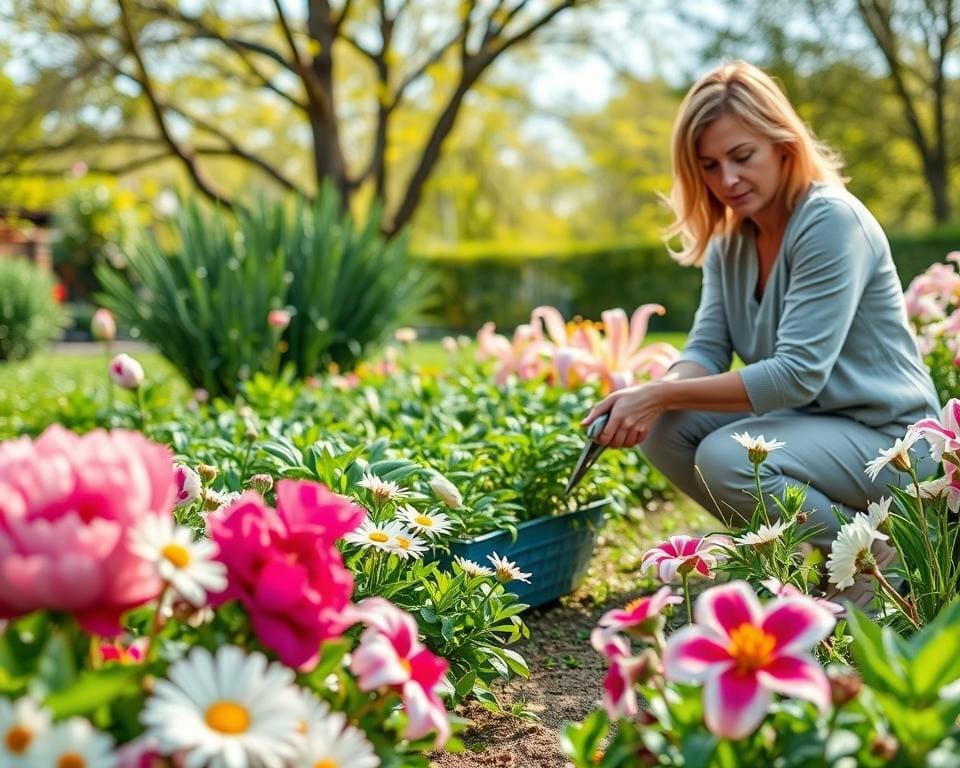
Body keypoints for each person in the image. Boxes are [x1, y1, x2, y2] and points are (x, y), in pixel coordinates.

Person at [581, 60, 939, 561]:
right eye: (708, 166)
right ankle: (804, 552)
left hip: (891, 444)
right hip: (813, 426)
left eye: (742, 156)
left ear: (782, 143)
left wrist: (659, 393)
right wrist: (651, 398)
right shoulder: (732, 240)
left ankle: (874, 560)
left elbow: (797, 376)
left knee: (729, 458)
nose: (727, 179)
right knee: (665, 431)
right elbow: (706, 347)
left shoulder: (830, 222)